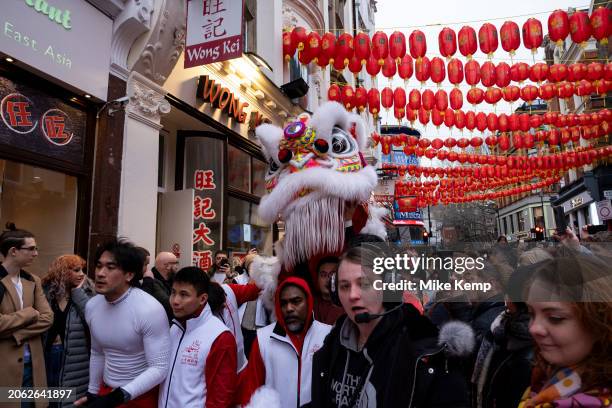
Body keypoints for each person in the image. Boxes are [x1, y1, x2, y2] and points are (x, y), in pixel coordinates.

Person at [310, 244, 473, 407]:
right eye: (345, 286)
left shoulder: (423, 354)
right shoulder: (332, 345)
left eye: (365, 284)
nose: (353, 295)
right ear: (335, 294)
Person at [74, 239, 170, 408]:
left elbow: (160, 367)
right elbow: (97, 352)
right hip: (108, 392)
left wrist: (116, 398)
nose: (100, 273)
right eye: (98, 266)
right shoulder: (92, 306)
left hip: (142, 395)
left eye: (110, 268)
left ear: (129, 275)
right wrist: (92, 392)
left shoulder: (149, 309)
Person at [518, 255, 612, 407]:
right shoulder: (546, 377)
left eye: (555, 318)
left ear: (599, 322)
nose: (534, 328)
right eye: (531, 314)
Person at [236, 277, 331, 407]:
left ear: (309, 302)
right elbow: (252, 389)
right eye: (283, 303)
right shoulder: (263, 339)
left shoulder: (328, 336)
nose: (289, 308)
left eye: (296, 301)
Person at [158, 267, 237, 408]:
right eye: (173, 293)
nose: (175, 301)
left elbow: (221, 398)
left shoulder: (219, 336)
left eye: (184, 295)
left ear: (202, 299)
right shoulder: (175, 327)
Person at [0, 227, 53, 408]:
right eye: (31, 249)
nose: (36, 253)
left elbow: (47, 318)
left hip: (33, 365)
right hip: (4, 367)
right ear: (13, 251)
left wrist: (16, 334)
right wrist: (29, 313)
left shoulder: (33, 280)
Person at [41, 255, 95, 407]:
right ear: (62, 272)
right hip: (47, 355)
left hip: (75, 360)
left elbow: (93, 321)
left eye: (82, 270)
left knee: (69, 400)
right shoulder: (44, 293)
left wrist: (78, 293)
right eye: (76, 270)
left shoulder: (89, 292)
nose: (82, 274)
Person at [312, 256, 344, 325]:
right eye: (323, 275)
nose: (328, 280)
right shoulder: (311, 303)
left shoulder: (346, 304)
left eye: (332, 274)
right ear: (317, 279)